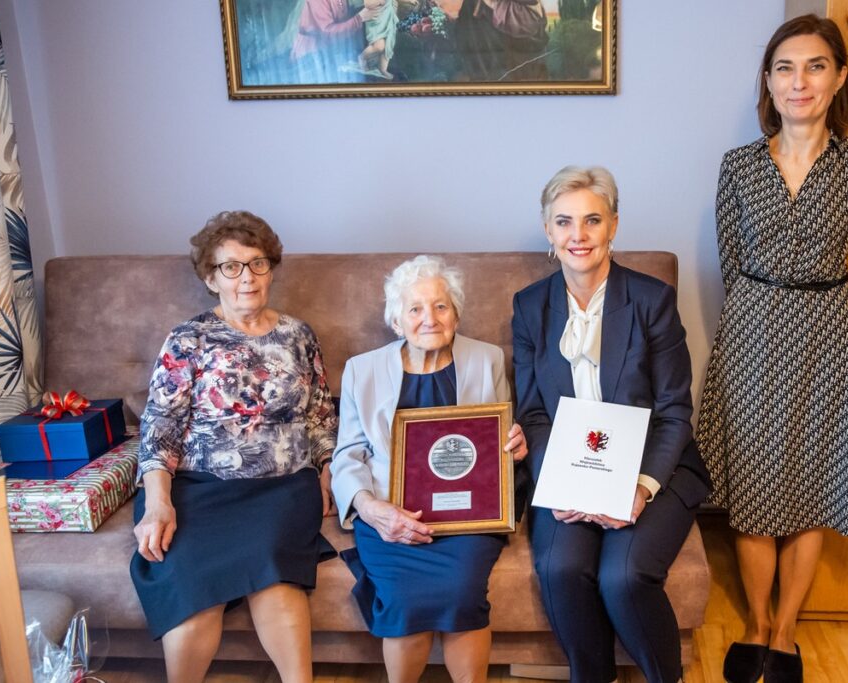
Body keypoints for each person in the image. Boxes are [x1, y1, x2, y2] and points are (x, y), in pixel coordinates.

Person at [697, 14, 848, 683]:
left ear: (839, 76)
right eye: (786, 67)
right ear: (768, 80)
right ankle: (755, 625)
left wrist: (844, 317)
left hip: (828, 346)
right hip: (753, 339)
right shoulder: (738, 167)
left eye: (816, 66)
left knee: (814, 491)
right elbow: (733, 267)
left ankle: (785, 634)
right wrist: (765, 315)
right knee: (754, 490)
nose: (800, 81)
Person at [512, 166, 711, 683]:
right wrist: (553, 480)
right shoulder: (530, 306)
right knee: (561, 569)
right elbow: (533, 413)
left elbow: (673, 411)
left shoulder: (650, 300)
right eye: (564, 222)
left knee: (622, 578)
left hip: (651, 467)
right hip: (572, 468)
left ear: (614, 227)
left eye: (592, 220)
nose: (578, 235)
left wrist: (640, 489)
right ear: (548, 230)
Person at [130, 211, 338, 683]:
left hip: (282, 487)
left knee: (275, 576)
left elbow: (321, 416)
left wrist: (329, 475)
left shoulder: (298, 335)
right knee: (194, 588)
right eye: (231, 267)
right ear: (210, 277)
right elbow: (159, 427)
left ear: (271, 268)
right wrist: (158, 502)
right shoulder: (189, 338)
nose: (247, 277)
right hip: (196, 487)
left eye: (257, 264)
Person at [330, 255, 528, 683]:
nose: (429, 319)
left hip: (470, 516)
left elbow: (497, 440)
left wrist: (510, 446)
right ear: (396, 321)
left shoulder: (486, 359)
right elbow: (347, 454)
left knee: (461, 589)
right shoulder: (361, 371)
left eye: (441, 306)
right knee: (402, 596)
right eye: (415, 309)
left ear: (456, 313)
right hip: (390, 510)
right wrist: (370, 509)